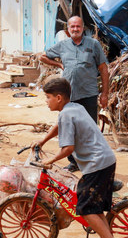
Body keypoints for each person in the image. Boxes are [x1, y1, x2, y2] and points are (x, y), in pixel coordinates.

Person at [33, 77, 128, 238]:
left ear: (59, 98)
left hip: (96, 164)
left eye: (48, 97)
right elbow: (59, 127)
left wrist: (49, 161)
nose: (46, 101)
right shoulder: (74, 108)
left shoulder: (66, 115)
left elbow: (68, 148)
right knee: (95, 210)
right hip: (105, 160)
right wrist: (42, 141)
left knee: (84, 209)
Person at [39, 16, 109, 172]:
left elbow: (104, 69)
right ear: (68, 30)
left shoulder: (93, 44)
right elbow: (42, 56)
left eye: (78, 26)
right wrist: (58, 64)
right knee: (68, 129)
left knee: (89, 129)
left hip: (88, 93)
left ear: (83, 28)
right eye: (72, 27)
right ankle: (73, 161)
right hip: (68, 96)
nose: (75, 29)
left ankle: (92, 160)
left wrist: (105, 94)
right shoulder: (62, 46)